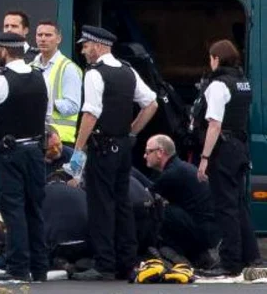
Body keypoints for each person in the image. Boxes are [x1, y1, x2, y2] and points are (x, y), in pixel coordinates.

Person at [70, 25, 158, 281]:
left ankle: (104, 264)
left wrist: (78, 148)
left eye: (85, 46)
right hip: (122, 149)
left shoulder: (95, 73)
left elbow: (90, 113)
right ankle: (126, 262)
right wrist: (130, 132)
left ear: (97, 46)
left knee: (101, 206)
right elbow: (150, 103)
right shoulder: (128, 71)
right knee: (122, 206)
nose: (84, 51)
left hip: (102, 148)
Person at [0, 31, 49, 282]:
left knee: (13, 210)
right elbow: (46, 114)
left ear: (3, 51)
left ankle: (17, 267)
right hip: (36, 152)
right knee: (35, 209)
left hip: (10, 153)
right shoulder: (40, 77)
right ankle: (39, 268)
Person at [195, 40, 261, 276]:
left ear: (216, 58)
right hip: (239, 147)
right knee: (238, 205)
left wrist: (204, 157)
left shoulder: (218, 85)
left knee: (225, 207)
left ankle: (230, 262)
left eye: (210, 57)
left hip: (222, 149)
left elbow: (214, 124)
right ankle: (251, 256)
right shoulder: (243, 83)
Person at [144, 134, 218, 268]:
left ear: (160, 152)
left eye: (148, 152)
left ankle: (174, 254)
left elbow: (148, 194)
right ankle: (198, 256)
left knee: (158, 210)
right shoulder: (180, 167)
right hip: (208, 230)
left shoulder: (172, 174)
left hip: (202, 231)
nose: (144, 156)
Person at [32, 21, 83, 145]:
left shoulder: (68, 68)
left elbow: (73, 106)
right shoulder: (31, 66)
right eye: (40, 35)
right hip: (35, 137)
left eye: (48, 35)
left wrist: (46, 103)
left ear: (58, 39)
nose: (43, 39)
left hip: (60, 140)